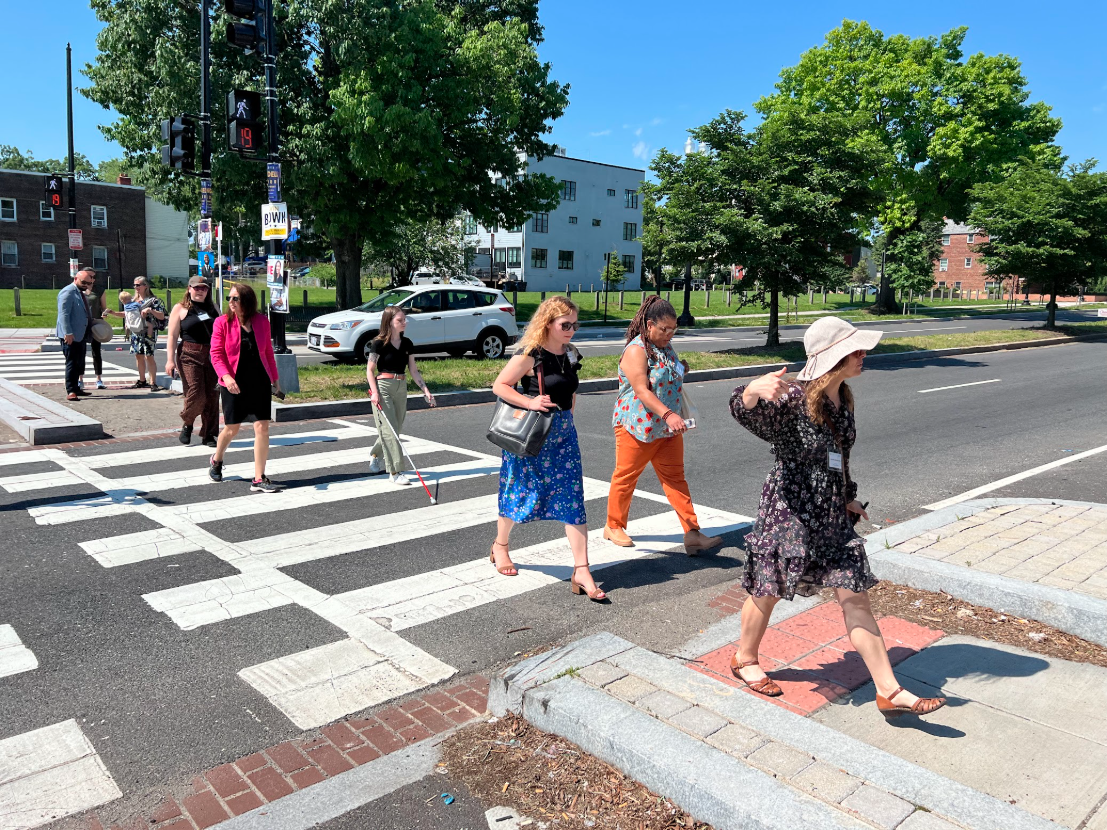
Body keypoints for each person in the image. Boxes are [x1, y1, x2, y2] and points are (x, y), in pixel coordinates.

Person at [729, 317, 946, 719]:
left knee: (855, 598)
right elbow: (748, 415)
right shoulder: (792, 398)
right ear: (835, 357)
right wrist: (750, 391)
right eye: (857, 351)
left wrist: (848, 498)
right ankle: (744, 658)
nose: (865, 357)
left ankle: (889, 690)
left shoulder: (842, 398)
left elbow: (839, 459)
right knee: (768, 589)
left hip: (830, 514)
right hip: (789, 511)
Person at [489, 296, 606, 601]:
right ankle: (500, 546)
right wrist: (529, 401)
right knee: (520, 491)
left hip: (564, 436)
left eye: (574, 324)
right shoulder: (532, 355)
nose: (571, 330)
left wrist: (567, 418)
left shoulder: (570, 354)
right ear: (549, 323)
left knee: (573, 499)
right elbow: (499, 386)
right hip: (532, 437)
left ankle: (582, 570)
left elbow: (571, 391)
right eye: (565, 324)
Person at [605, 296, 723, 555]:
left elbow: (666, 375)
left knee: (676, 479)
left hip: (666, 430)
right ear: (649, 325)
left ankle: (692, 533)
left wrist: (681, 369)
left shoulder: (666, 348)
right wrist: (669, 414)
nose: (669, 334)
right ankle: (613, 525)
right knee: (626, 477)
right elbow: (642, 390)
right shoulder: (636, 350)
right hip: (637, 427)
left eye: (673, 330)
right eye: (664, 329)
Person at [208, 283, 282, 493]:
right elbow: (216, 354)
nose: (230, 302)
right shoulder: (221, 323)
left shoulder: (261, 321)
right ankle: (217, 459)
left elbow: (268, 352)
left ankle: (259, 478)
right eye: (229, 299)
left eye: (235, 299)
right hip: (233, 382)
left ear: (247, 301)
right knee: (232, 428)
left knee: (262, 427)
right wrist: (226, 376)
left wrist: (275, 379)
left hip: (258, 380)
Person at [366, 307, 436, 485]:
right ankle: (395, 471)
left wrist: (425, 389)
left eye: (405, 319)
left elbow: (413, 370)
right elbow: (370, 370)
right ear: (389, 322)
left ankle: (375, 453)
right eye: (400, 320)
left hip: (401, 386)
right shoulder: (378, 343)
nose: (404, 323)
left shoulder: (407, 344)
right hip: (383, 386)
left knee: (395, 429)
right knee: (390, 431)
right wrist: (374, 392)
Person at [165, 276, 220, 447]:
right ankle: (188, 423)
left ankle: (208, 434)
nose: (200, 291)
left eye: (204, 288)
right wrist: (170, 360)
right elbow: (172, 336)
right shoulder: (180, 308)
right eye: (197, 288)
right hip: (189, 354)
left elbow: (221, 332)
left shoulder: (213, 307)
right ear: (189, 289)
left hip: (212, 355)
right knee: (196, 393)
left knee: (212, 395)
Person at [56, 268, 96, 402]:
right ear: (75, 279)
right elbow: (64, 314)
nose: (86, 285)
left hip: (80, 333)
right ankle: (71, 390)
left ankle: (77, 388)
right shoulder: (68, 292)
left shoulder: (80, 292)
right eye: (83, 282)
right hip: (70, 335)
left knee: (79, 362)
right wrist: (67, 332)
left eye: (88, 283)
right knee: (72, 363)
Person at [118, 276, 165, 389]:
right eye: (134, 285)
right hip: (136, 331)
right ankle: (142, 379)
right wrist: (113, 313)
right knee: (138, 356)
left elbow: (162, 316)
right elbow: (126, 314)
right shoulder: (132, 301)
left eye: (138, 285)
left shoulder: (154, 301)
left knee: (149, 356)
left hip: (149, 331)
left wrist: (150, 310)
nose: (136, 287)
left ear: (145, 286)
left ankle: (153, 382)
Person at [79, 280, 107, 391]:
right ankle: (80, 379)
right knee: (81, 352)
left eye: (91, 277)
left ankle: (99, 379)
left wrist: (104, 312)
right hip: (82, 323)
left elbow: (103, 306)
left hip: (95, 323)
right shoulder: (79, 290)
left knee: (96, 351)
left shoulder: (99, 290)